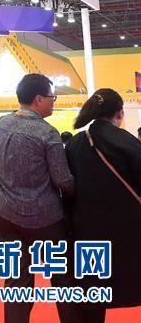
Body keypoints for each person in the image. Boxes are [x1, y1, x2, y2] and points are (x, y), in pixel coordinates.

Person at [0, 74, 79, 323]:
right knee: (62, 278)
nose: (53, 102)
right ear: (39, 99)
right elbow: (62, 179)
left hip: (4, 214)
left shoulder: (1, 124)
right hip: (45, 218)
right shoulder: (47, 132)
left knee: (16, 280)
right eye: (52, 97)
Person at [65, 89, 141, 323]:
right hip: (130, 230)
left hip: (87, 230)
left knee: (92, 292)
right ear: (119, 113)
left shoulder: (76, 143)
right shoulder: (127, 141)